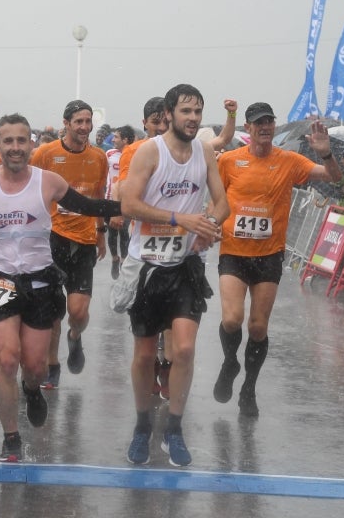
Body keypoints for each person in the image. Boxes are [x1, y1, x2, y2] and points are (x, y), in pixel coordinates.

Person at [0, 113, 120, 461]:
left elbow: (90, 206)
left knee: (34, 366)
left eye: (22, 141)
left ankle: (31, 389)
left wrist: (133, 208)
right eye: (8, 141)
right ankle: (10, 436)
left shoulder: (48, 181)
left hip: (39, 280)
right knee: (7, 359)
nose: (15, 148)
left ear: (31, 144)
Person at [120, 83, 229, 466]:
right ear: (169, 113)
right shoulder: (151, 152)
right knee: (146, 355)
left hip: (185, 267)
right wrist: (178, 218)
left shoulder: (204, 151)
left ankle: (175, 429)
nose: (193, 119)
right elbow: (128, 204)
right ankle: (142, 424)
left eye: (198, 112)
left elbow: (222, 203)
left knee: (183, 349)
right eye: (186, 111)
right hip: (148, 267)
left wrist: (208, 226)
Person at [213, 102, 341, 418]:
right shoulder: (229, 161)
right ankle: (231, 362)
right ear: (248, 128)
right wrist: (209, 224)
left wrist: (325, 153)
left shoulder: (288, 161)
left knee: (257, 327)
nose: (265, 127)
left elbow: (333, 177)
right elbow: (216, 200)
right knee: (232, 320)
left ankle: (249, 388)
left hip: (268, 255)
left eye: (269, 121)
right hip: (233, 251)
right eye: (258, 123)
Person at [29, 100, 109, 389]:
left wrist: (101, 233)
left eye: (88, 121)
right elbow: (28, 186)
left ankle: (75, 337)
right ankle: (53, 364)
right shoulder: (45, 154)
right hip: (52, 240)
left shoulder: (98, 157)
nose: (85, 127)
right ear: (66, 123)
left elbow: (98, 196)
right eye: (79, 122)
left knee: (78, 312)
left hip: (85, 241)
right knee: (52, 311)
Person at [106, 125, 136, 279]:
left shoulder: (134, 154)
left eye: (116, 137)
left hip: (126, 201)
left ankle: (124, 260)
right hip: (110, 198)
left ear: (125, 140)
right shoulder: (109, 154)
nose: (113, 139)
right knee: (111, 233)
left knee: (124, 232)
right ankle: (114, 258)